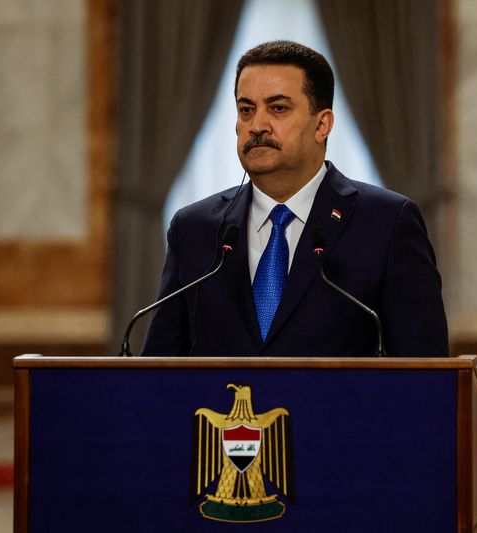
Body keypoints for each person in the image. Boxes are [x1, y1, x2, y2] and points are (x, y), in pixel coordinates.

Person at [142, 40, 448, 357]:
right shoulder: (193, 229)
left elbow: (424, 370)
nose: (257, 125)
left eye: (278, 108)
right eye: (246, 110)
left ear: (322, 124)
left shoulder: (387, 222)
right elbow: (158, 370)